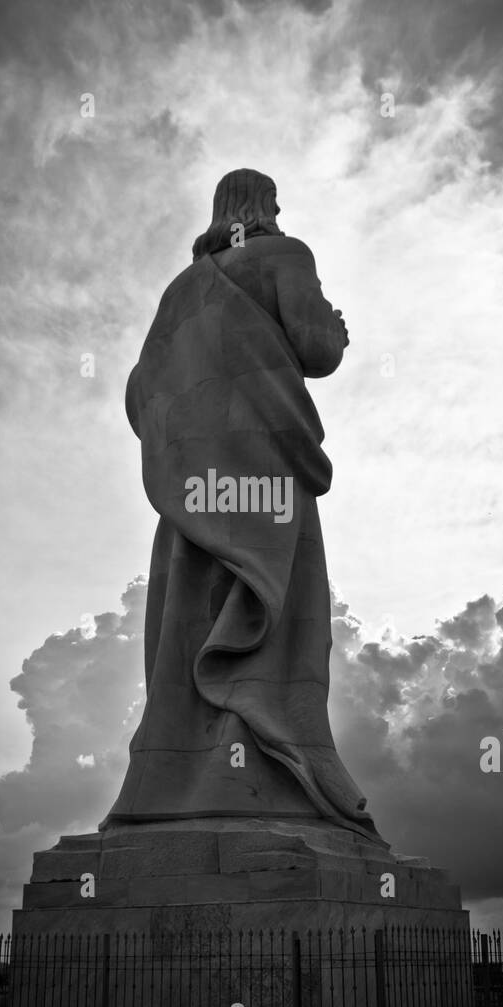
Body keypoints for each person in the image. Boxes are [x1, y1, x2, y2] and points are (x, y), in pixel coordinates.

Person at [100, 169, 381, 840]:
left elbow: (142, 396)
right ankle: (276, 777)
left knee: (188, 633)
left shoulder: (179, 291)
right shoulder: (286, 255)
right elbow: (316, 348)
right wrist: (335, 333)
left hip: (193, 496)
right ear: (263, 208)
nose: (281, 215)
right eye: (277, 204)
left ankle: (174, 786)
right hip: (269, 480)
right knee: (283, 625)